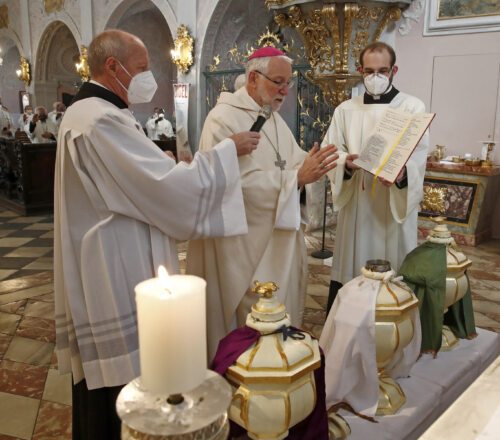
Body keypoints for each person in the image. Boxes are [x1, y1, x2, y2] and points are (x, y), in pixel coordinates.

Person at [54, 29, 260, 440]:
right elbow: (163, 189)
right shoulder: (100, 119)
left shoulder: (89, 114)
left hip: (107, 253)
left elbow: (135, 177)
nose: (148, 77)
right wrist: (225, 152)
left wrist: (158, 161)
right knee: (123, 382)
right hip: (116, 261)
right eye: (143, 68)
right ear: (112, 67)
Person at [187, 46, 338, 359]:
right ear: (253, 78)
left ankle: (279, 371)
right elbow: (235, 187)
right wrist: (295, 180)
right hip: (247, 247)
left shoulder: (272, 118)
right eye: (278, 82)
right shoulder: (223, 119)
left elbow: (293, 160)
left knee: (279, 315)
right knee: (251, 318)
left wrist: (319, 162)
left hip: (278, 238)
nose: (285, 90)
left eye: (289, 83)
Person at [322, 41, 429, 312]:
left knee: (394, 263)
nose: (376, 77)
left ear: (394, 70)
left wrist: (402, 174)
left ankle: (397, 322)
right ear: (360, 70)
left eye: (383, 70)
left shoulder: (412, 107)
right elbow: (331, 151)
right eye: (369, 71)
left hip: (392, 204)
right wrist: (347, 164)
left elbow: (419, 155)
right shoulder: (345, 110)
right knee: (354, 263)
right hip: (358, 202)